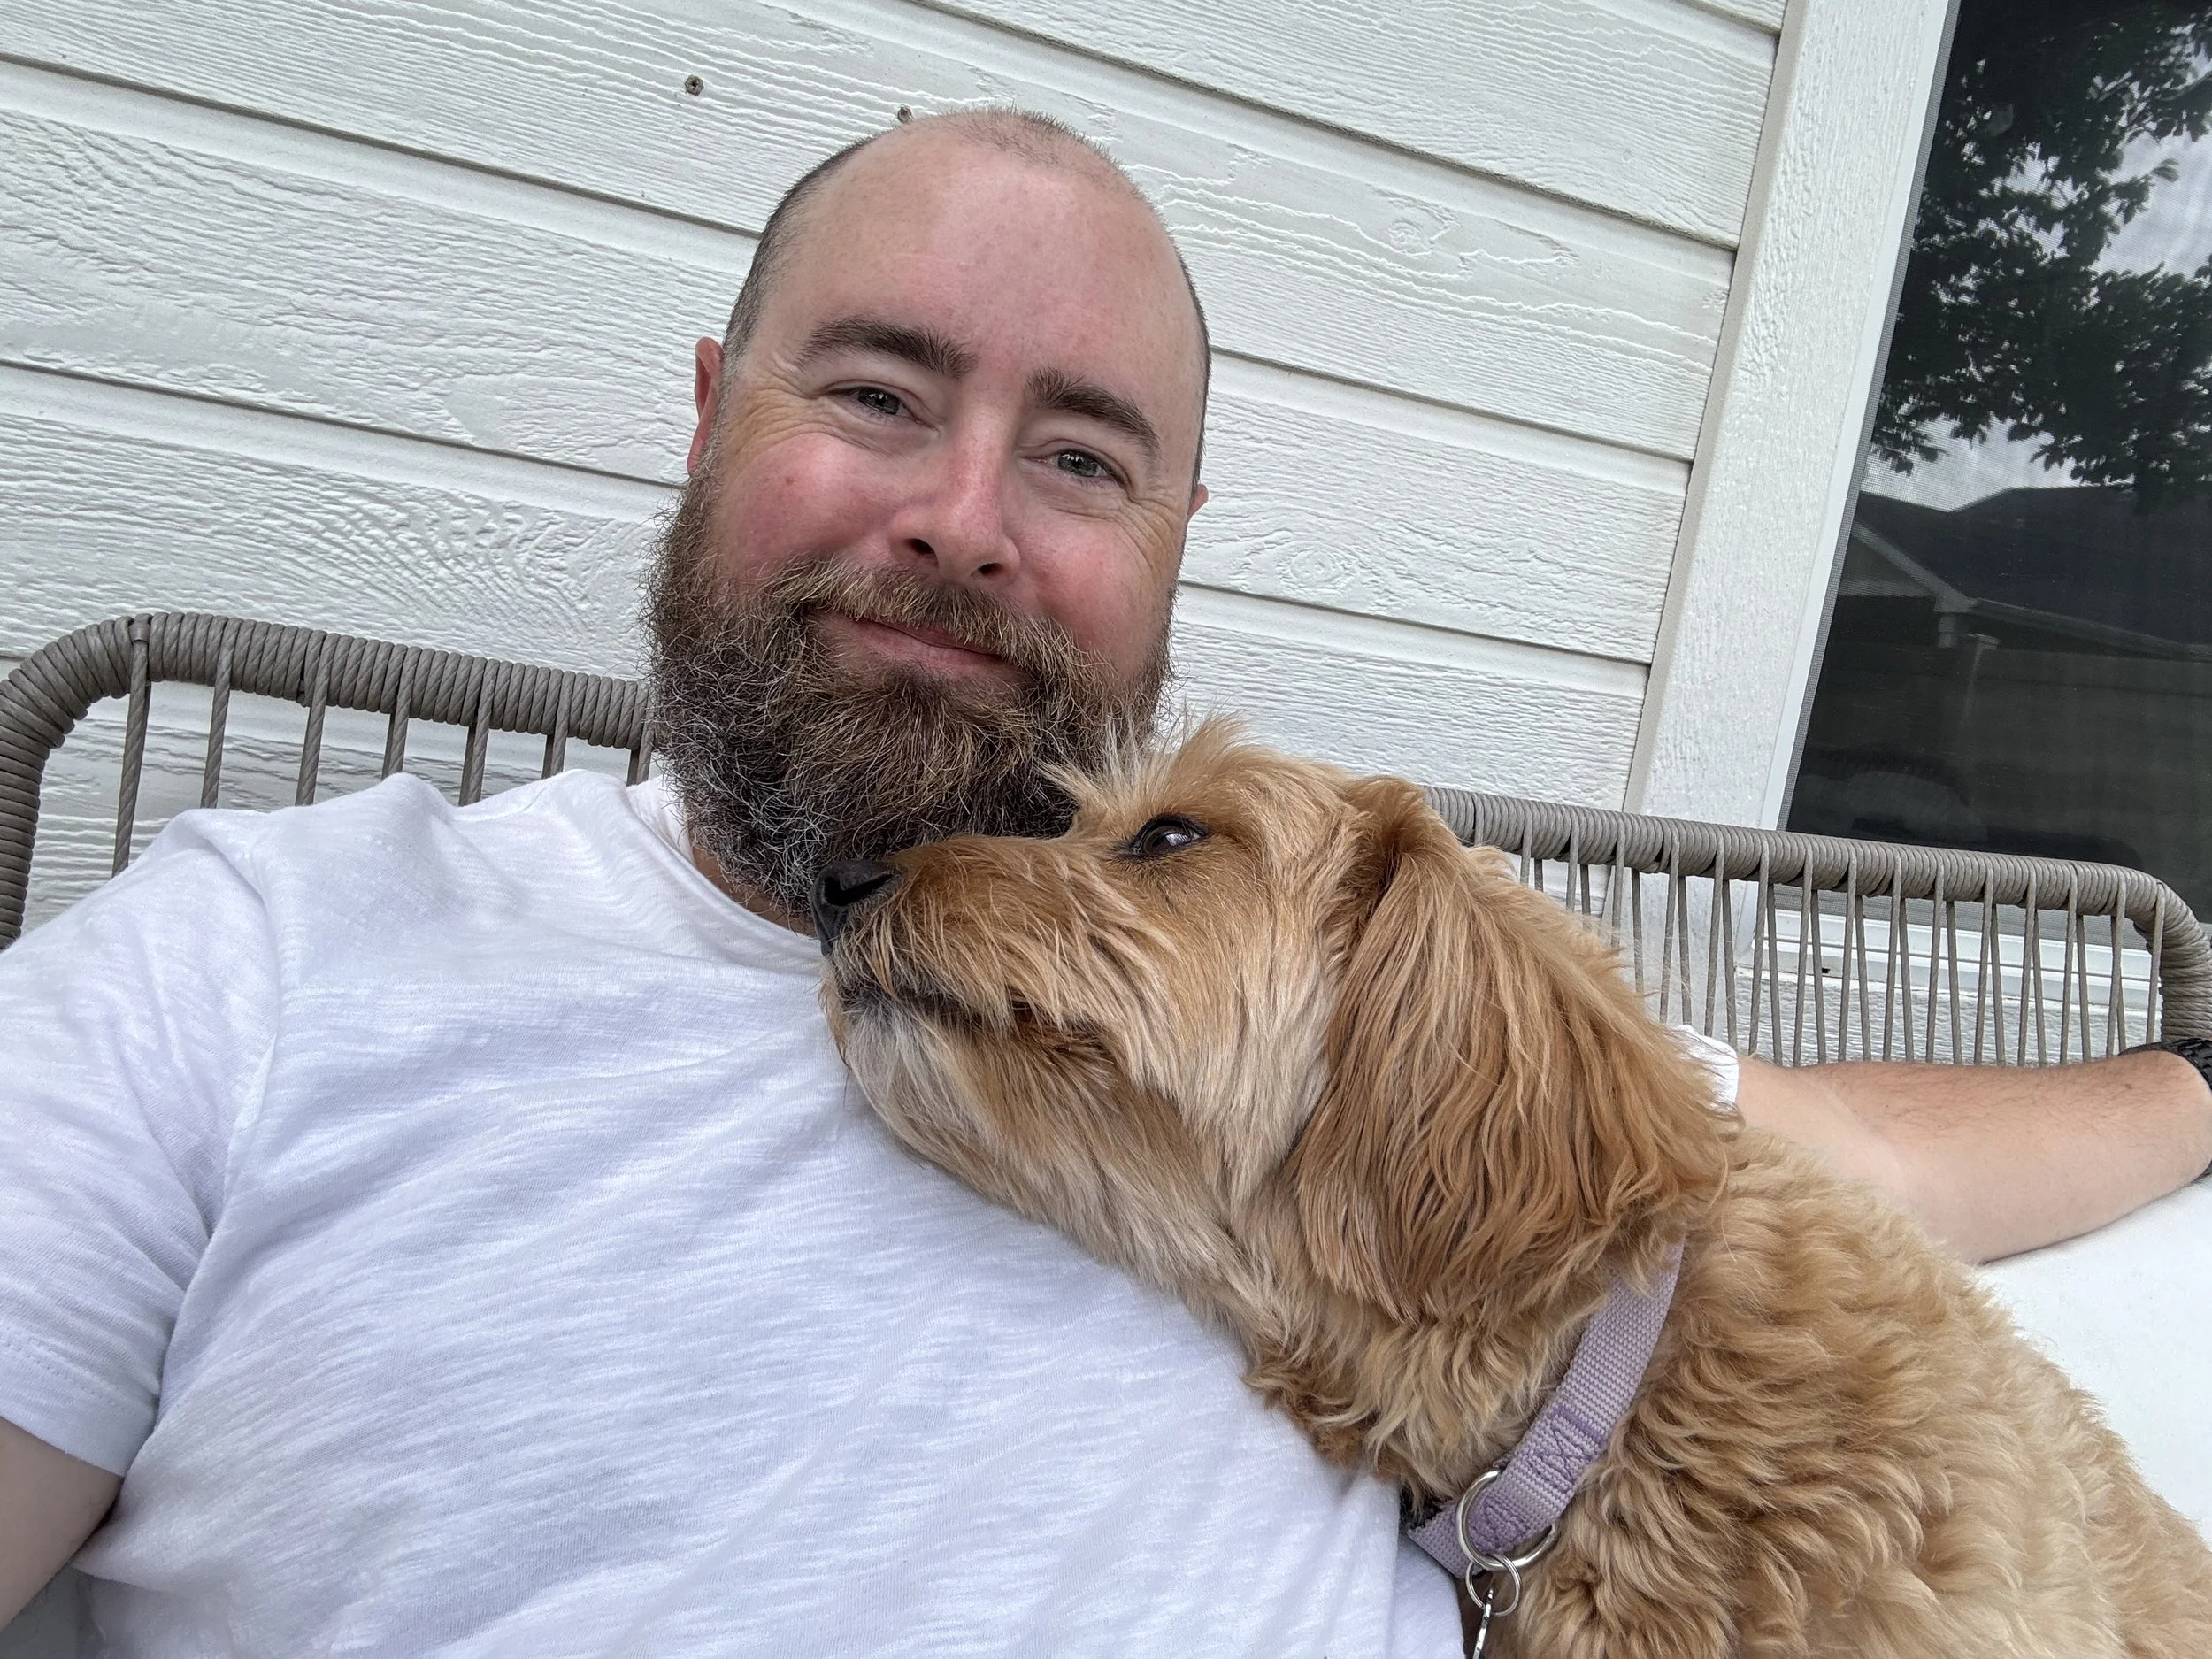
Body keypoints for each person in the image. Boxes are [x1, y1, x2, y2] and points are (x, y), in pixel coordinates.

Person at [2, 108, 2207, 1655]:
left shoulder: (1407, 1048)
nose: (964, 517)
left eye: (1076, 456)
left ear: (1170, 540)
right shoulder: (235, 972)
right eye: (877, 391)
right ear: (705, 418)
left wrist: (2188, 1078)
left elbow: (1768, 1155)